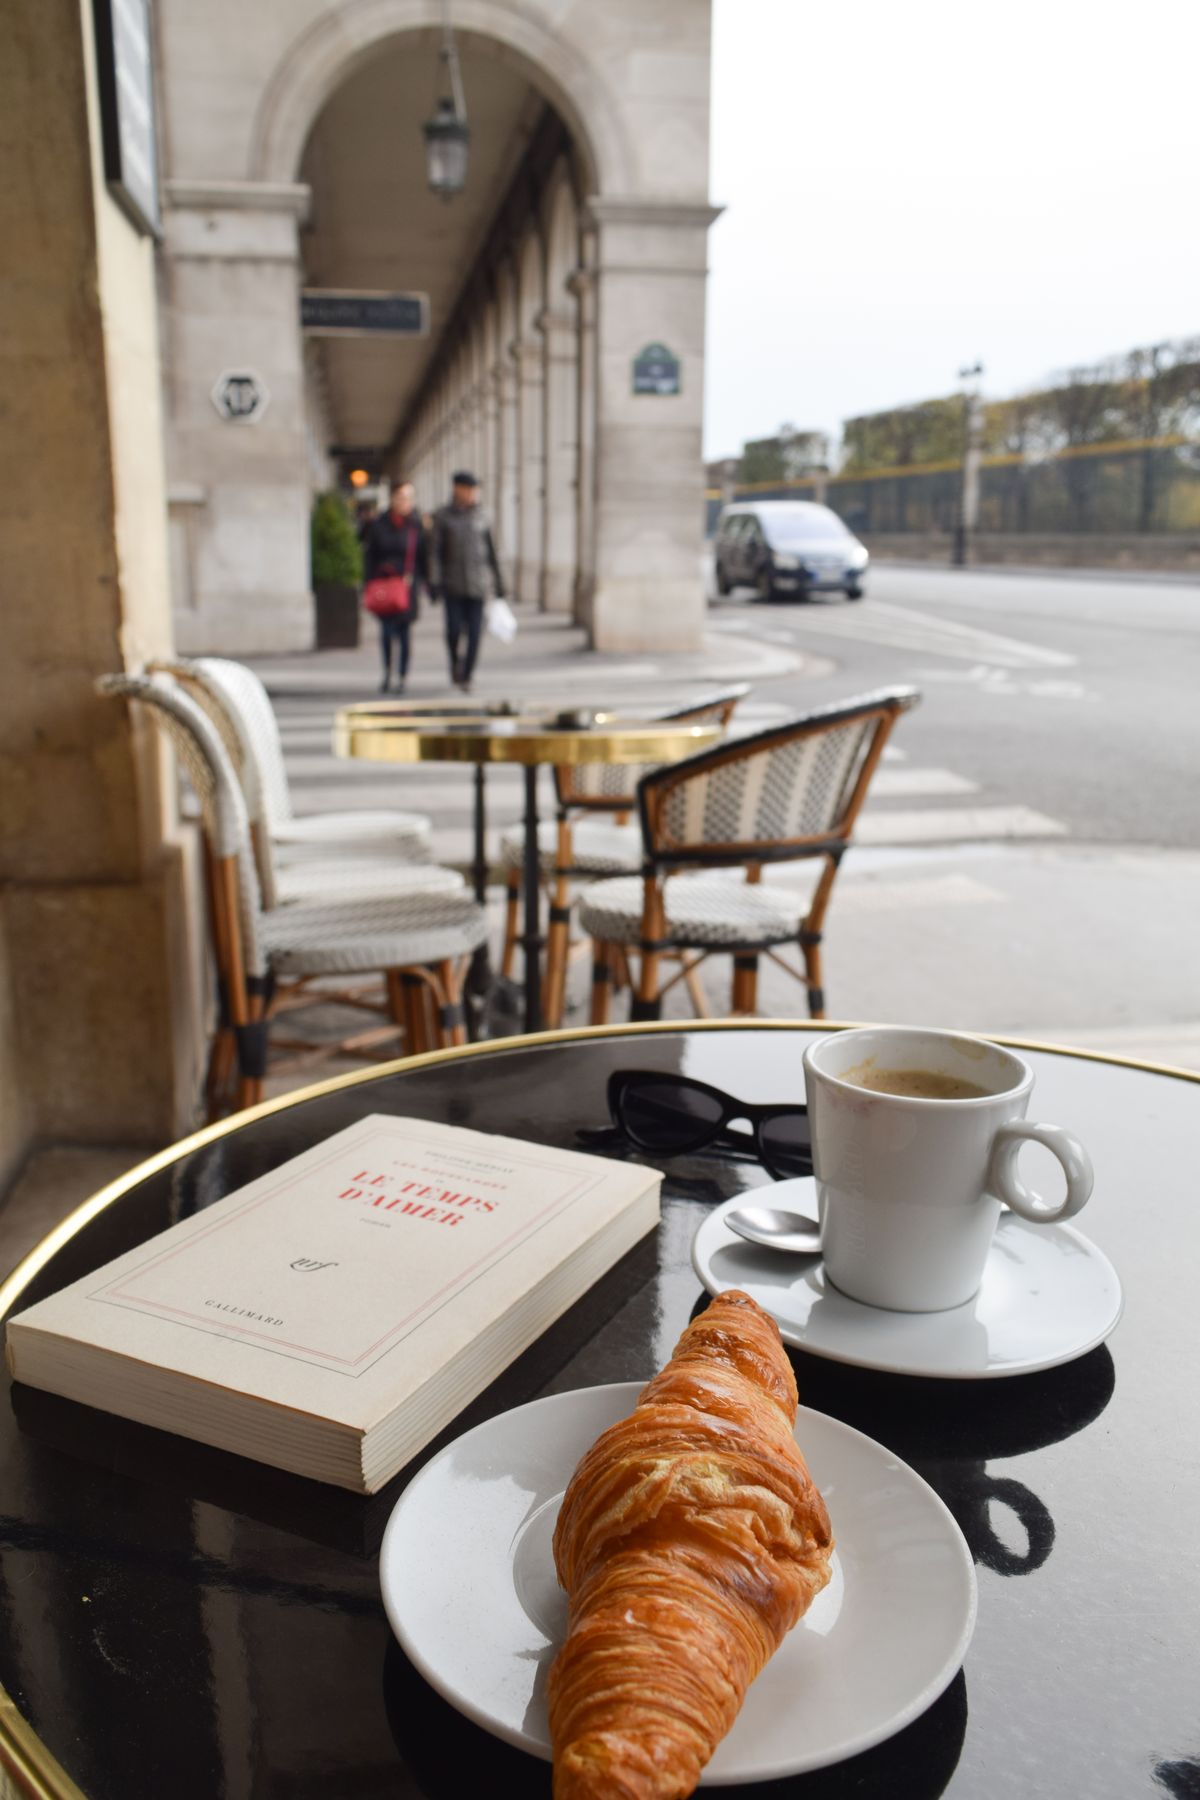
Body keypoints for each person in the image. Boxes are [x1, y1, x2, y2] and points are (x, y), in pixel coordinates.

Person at [429, 471, 507, 693]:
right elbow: (434, 552)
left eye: (475, 490)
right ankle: (455, 663)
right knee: (453, 631)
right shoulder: (443, 517)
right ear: (457, 489)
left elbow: (493, 552)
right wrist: (435, 581)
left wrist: (501, 584)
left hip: (478, 585)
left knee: (475, 634)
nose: (472, 493)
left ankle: (467, 674)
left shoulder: (483, 516)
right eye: (468, 489)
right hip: (452, 585)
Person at [363, 482, 428, 694]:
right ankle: (387, 672)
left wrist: (424, 582)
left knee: (405, 634)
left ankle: (402, 676)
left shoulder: (417, 526)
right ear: (392, 498)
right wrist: (369, 582)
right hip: (384, 586)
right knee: (386, 633)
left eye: (408, 497)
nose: (404, 502)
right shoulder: (379, 524)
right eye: (400, 497)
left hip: (407, 587)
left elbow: (424, 557)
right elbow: (370, 555)